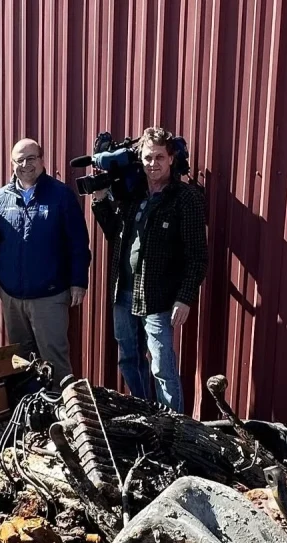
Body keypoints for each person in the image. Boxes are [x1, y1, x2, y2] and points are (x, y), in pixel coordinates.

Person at [90, 126, 207, 413]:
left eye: (159, 157)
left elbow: (197, 255)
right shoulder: (134, 195)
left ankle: (174, 428)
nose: (152, 164)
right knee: (129, 359)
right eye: (147, 157)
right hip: (124, 293)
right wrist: (100, 199)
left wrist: (185, 297)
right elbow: (115, 235)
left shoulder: (185, 198)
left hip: (160, 298)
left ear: (171, 159)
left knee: (162, 367)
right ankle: (147, 413)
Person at [0, 138, 90, 385]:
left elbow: (78, 243)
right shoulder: (1, 198)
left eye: (31, 158)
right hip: (12, 296)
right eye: (19, 160)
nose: (25, 164)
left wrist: (78, 282)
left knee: (55, 357)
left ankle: (65, 409)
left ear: (42, 160)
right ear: (12, 164)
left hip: (49, 295)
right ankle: (29, 409)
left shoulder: (61, 195)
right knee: (21, 359)